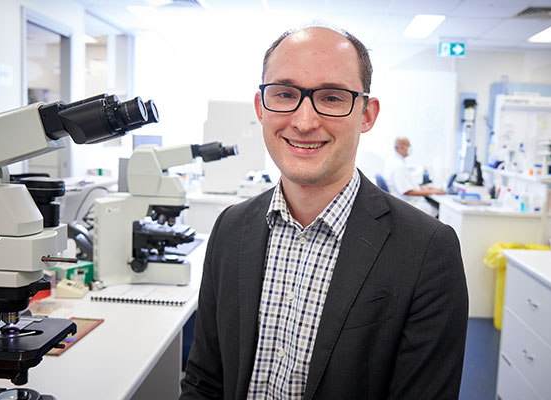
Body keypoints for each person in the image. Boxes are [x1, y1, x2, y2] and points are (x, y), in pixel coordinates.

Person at [181, 26, 468, 400]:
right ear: (261, 109)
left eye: (331, 98)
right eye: (284, 94)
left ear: (367, 114)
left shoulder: (428, 251)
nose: (303, 122)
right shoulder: (231, 229)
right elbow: (205, 379)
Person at [384, 136, 445, 217]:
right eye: (409, 145)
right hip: (411, 204)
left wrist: (422, 188)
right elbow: (407, 191)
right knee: (440, 211)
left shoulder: (394, 162)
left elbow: (406, 185)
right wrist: (433, 192)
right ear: (401, 147)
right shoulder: (398, 166)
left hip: (407, 202)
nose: (410, 148)